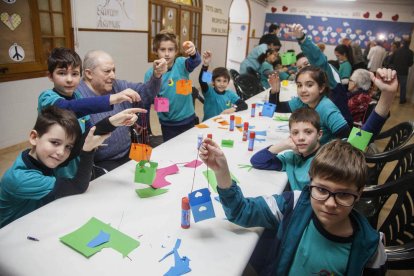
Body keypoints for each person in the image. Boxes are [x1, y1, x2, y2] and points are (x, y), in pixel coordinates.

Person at [199, 138, 387, 275]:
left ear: (359, 193)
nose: (330, 204)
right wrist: (221, 171)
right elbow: (241, 211)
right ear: (310, 182)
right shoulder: (294, 205)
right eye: (321, 190)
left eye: (344, 194)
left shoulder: (371, 247)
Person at [0, 106, 145, 227]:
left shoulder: (39, 156)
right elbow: (78, 186)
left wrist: (112, 121)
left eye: (67, 146)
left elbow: (81, 142)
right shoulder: (20, 179)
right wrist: (88, 151)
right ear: (34, 137)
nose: (61, 152)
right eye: (55, 142)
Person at [38, 47, 141, 178]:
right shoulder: (46, 98)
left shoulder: (79, 97)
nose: (69, 79)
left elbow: (90, 133)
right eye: (62, 73)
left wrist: (119, 120)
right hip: (56, 166)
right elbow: (67, 108)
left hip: (79, 164)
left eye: (74, 74)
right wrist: (113, 98)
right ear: (50, 76)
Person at [77, 50, 167, 173]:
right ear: (89, 73)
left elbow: (146, 93)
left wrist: (156, 75)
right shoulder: (78, 96)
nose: (113, 76)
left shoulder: (117, 85)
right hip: (102, 162)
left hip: (129, 152)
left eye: (114, 70)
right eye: (107, 71)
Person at [269, 67, 398, 144]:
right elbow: (277, 108)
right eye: (299, 85)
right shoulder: (303, 101)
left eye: (309, 85)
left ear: (321, 88)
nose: (303, 90)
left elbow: (356, 142)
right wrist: (274, 91)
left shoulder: (326, 108)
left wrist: (387, 96)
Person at [287, 24, 353, 125]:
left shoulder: (325, 73)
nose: (303, 69)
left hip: (339, 129)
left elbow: (318, 60)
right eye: (299, 68)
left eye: (306, 64)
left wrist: (302, 39)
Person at [144, 30, 201, 142]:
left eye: (170, 50)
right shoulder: (150, 74)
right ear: (156, 51)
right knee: (171, 151)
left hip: (188, 118)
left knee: (189, 147)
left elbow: (196, 61)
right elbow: (148, 98)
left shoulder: (181, 63)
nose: (166, 54)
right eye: (162, 49)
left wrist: (194, 53)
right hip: (168, 124)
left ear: (176, 51)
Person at [251, 107, 322, 191]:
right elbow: (257, 161)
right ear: (290, 136)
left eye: (308, 132)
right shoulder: (292, 157)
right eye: (295, 133)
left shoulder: (324, 161)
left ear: (319, 135)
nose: (301, 138)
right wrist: (283, 145)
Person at [199, 51, 247, 121]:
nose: (222, 84)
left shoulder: (230, 94)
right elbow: (202, 81)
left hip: (223, 124)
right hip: (209, 124)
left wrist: (233, 108)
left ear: (228, 82)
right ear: (213, 82)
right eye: (218, 80)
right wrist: (206, 65)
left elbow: (244, 105)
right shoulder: (209, 92)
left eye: (225, 81)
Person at [390, 38, 413, 104]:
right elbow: (410, 63)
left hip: (395, 70)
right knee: (403, 87)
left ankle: (390, 97)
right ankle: (402, 100)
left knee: (394, 85)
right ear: (409, 43)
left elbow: (391, 60)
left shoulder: (397, 51)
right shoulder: (410, 52)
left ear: (402, 43)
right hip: (404, 72)